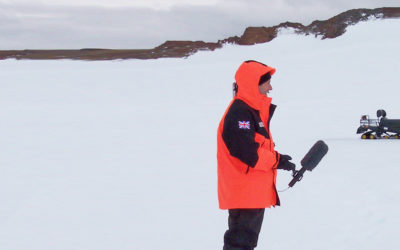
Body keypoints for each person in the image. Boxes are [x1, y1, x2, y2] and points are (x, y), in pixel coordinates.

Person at [217, 60, 296, 250]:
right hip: (245, 192)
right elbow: (247, 152)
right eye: (266, 82)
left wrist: (279, 159)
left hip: (251, 192)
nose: (271, 87)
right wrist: (277, 160)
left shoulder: (251, 111)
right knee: (240, 244)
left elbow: (255, 147)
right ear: (254, 83)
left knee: (244, 243)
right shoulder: (240, 112)